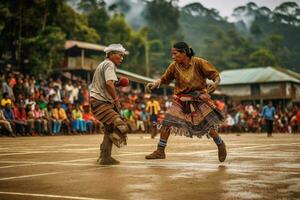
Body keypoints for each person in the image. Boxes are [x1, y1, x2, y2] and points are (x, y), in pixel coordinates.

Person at [145, 42, 227, 162]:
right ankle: (160, 151)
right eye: (172, 54)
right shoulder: (173, 66)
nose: (173, 57)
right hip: (181, 98)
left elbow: (215, 75)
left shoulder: (199, 62)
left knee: (209, 127)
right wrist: (155, 83)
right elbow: (164, 79)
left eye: (175, 53)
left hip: (198, 98)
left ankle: (220, 144)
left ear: (184, 53)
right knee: (167, 123)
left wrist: (215, 84)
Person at [89, 44, 129, 165]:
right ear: (111, 54)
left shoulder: (103, 64)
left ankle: (105, 157)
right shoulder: (109, 64)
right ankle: (106, 153)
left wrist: (117, 83)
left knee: (110, 128)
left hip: (99, 101)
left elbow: (108, 83)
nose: (121, 58)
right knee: (120, 125)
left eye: (123, 56)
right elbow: (109, 83)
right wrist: (116, 100)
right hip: (100, 102)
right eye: (120, 55)